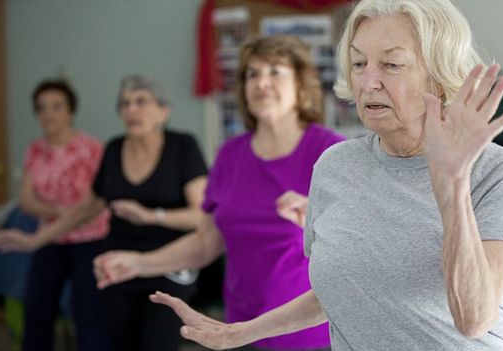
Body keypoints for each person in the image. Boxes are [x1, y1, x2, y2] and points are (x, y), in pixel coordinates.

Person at [143, 1, 503, 350]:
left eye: (391, 64)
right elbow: (341, 292)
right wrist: (240, 333)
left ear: (438, 77)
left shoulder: (497, 172)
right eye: (358, 63)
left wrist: (451, 182)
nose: (368, 82)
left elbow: (474, 318)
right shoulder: (335, 165)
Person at [93, 34, 345, 351]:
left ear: (301, 85)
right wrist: (138, 263)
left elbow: (359, 243)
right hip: (238, 329)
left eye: (275, 72)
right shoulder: (231, 154)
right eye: (252, 74)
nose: (261, 82)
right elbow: (207, 241)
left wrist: (318, 219)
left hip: (309, 333)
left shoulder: (329, 150)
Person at [0, 75, 208, 351]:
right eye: (125, 103)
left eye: (141, 101)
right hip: (119, 267)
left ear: (163, 111)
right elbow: (86, 208)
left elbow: (201, 216)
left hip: (169, 265)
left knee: (158, 344)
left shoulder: (183, 146)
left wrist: (150, 215)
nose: (131, 109)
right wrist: (35, 240)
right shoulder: (114, 149)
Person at [0, 79, 111, 351]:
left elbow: (94, 205)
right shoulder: (35, 150)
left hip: (90, 240)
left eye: (56, 107)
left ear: (70, 112)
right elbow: (26, 200)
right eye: (42, 107)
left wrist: (69, 215)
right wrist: (59, 212)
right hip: (50, 241)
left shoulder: (92, 149)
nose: (48, 114)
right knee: (36, 309)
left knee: (89, 315)